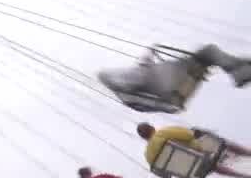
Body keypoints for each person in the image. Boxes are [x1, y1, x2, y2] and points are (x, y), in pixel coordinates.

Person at [99, 45, 251, 102]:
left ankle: (243, 68)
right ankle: (241, 71)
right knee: (209, 51)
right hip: (171, 78)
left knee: (211, 55)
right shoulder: (126, 83)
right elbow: (133, 80)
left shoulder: (129, 82)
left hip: (172, 81)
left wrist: (149, 52)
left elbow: (142, 65)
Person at [137, 123, 251, 178]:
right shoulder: (163, 133)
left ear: (143, 138)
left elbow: (164, 175)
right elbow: (189, 135)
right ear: (152, 128)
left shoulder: (148, 156)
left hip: (193, 171)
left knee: (210, 166)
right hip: (201, 153)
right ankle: (247, 153)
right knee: (222, 143)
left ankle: (244, 176)